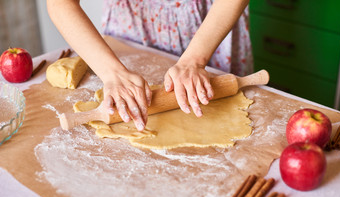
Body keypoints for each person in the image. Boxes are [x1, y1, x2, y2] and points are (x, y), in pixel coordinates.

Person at [47, 0, 252, 131]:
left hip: (210, 26)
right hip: (131, 28)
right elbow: (61, 3)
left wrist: (195, 60)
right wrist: (113, 73)